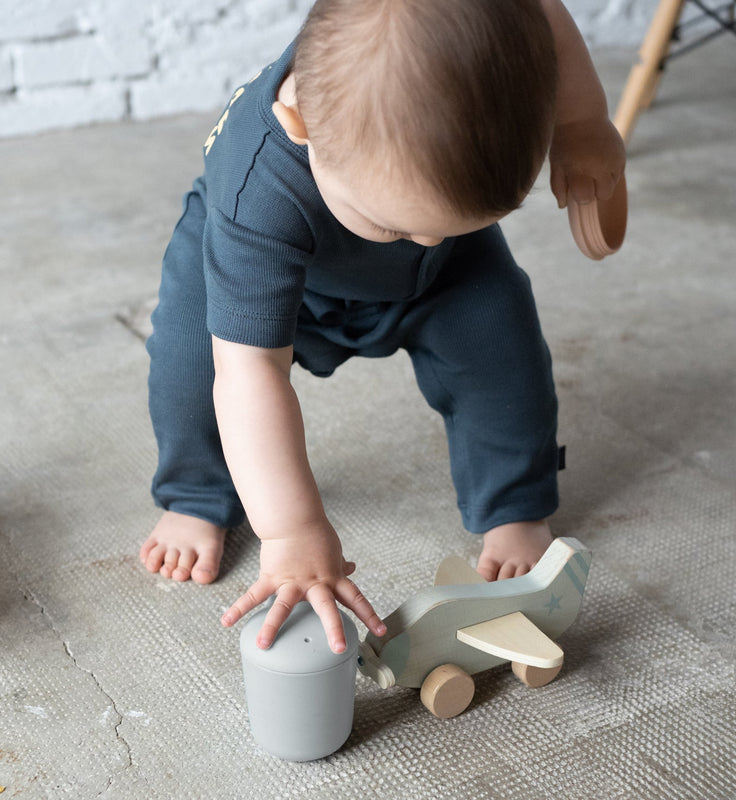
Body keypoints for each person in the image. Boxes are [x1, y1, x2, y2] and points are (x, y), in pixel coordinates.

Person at [140, 0, 625, 654]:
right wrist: (292, 531)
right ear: (302, 126)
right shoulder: (258, 195)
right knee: (192, 361)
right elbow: (250, 373)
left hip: (439, 275)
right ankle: (195, 495)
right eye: (399, 226)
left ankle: (513, 503)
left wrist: (581, 123)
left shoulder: (433, 227)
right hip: (278, 271)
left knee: (501, 346)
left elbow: (540, 9)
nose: (424, 240)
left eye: (460, 222)